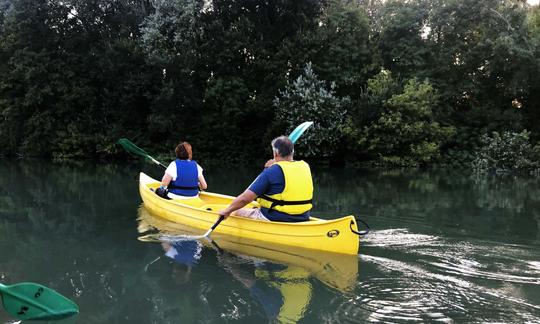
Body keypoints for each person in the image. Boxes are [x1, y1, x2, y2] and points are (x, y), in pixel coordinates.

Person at [218, 136, 313, 222]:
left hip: (278, 217)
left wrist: (227, 211)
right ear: (292, 152)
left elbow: (245, 199)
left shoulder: (273, 171)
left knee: (237, 211)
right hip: (303, 216)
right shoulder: (305, 166)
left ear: (275, 153)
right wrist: (270, 167)